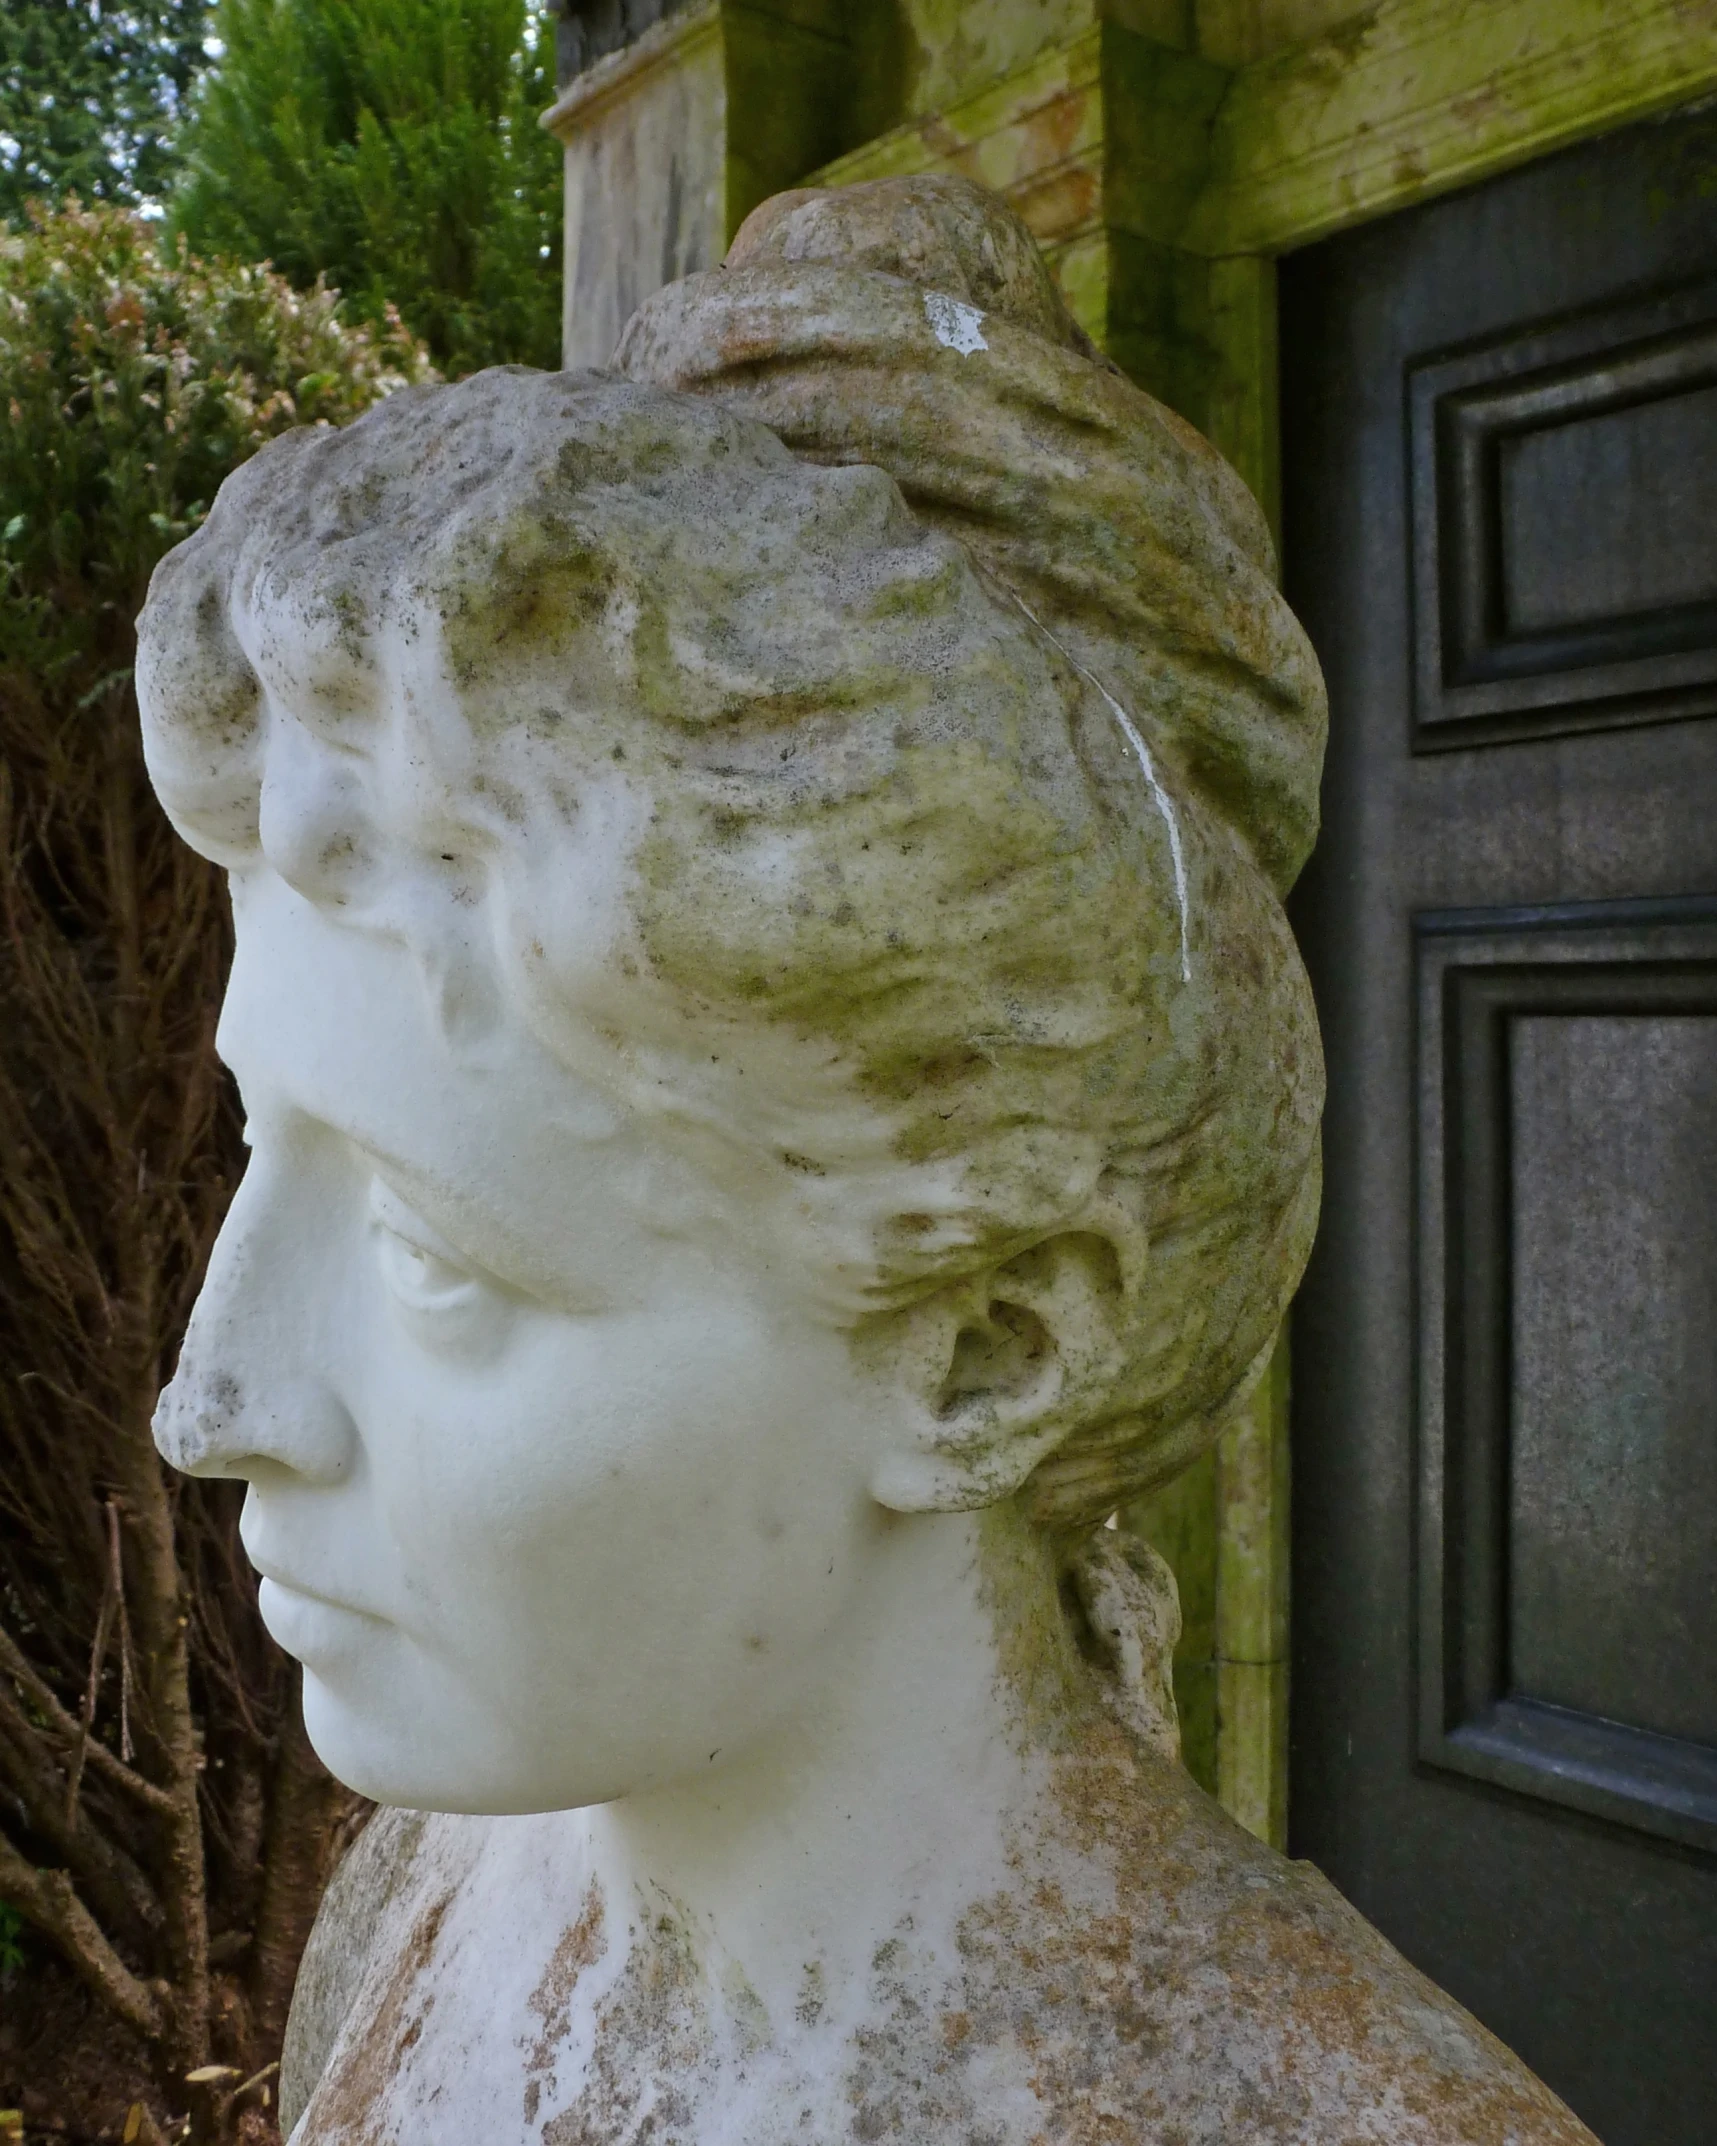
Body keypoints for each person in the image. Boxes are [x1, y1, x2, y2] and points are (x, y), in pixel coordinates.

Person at [138, 176, 1593, 2144]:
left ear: (989, 1343)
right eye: (258, 1141)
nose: (208, 1398)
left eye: (431, 1248)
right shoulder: (419, 1898)